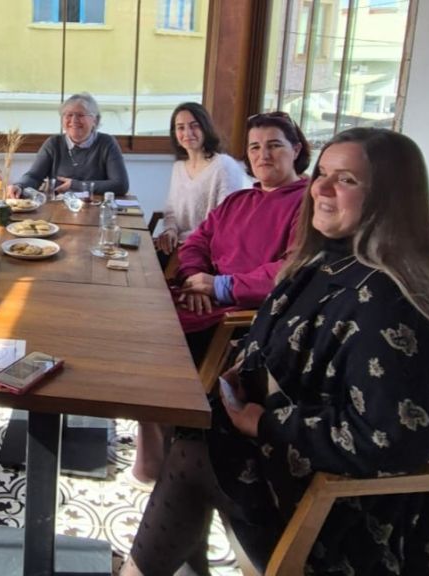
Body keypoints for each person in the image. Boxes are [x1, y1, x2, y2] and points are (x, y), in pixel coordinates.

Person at [122, 128, 429, 575]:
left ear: (390, 197)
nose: (320, 189)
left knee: (195, 454)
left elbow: (392, 443)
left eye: (346, 180)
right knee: (194, 430)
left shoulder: (392, 305)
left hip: (350, 512)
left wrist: (265, 423)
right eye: (322, 174)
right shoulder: (328, 261)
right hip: (301, 460)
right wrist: (243, 376)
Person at [132, 112, 310, 485]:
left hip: (241, 314)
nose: (263, 155)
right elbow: (196, 242)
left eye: (274, 146)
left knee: (150, 347)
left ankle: (165, 461)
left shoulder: (306, 204)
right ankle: (154, 453)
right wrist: (193, 278)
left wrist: (220, 286)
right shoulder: (240, 200)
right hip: (203, 294)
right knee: (136, 312)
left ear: (296, 149)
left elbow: (289, 271)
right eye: (255, 147)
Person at [155, 102, 247, 271]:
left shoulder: (224, 166)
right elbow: (171, 211)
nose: (187, 133)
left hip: (206, 254)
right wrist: (170, 231)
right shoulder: (179, 167)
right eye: (180, 127)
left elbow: (225, 223)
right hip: (178, 246)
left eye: (194, 126)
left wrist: (188, 244)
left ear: (205, 128)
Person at [7, 92, 129, 198]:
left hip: (94, 208)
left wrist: (76, 185)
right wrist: (20, 186)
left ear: (95, 120)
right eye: (68, 115)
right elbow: (34, 176)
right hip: (58, 208)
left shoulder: (107, 143)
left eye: (81, 115)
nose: (74, 120)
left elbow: (121, 185)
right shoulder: (53, 143)